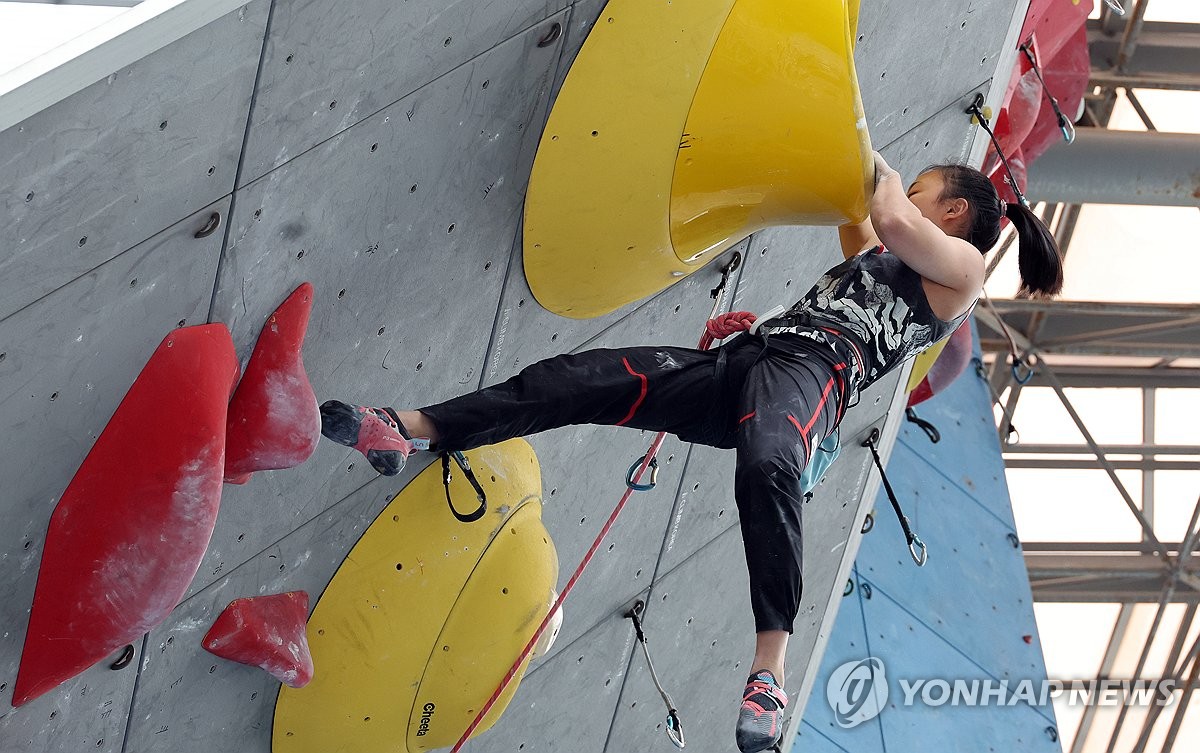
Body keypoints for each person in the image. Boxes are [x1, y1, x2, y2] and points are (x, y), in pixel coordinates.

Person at [318, 152, 1063, 753]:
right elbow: (852, 268)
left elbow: (890, 216)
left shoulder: (960, 274)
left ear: (954, 213)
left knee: (769, 464)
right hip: (753, 364)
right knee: (576, 381)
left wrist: (883, 171)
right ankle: (407, 427)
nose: (911, 195)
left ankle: (769, 665)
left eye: (928, 189)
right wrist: (764, 317)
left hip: (812, 382)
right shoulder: (882, 256)